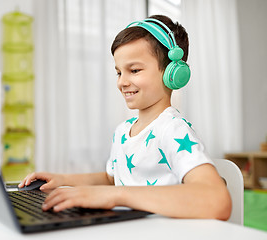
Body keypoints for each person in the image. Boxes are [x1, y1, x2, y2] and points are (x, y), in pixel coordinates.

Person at [19, 15, 232, 220]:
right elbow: (112, 178)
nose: (122, 82)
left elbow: (217, 201)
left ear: (172, 72)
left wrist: (117, 195)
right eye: (119, 72)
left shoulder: (172, 129)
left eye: (135, 70)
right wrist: (63, 180)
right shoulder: (123, 130)